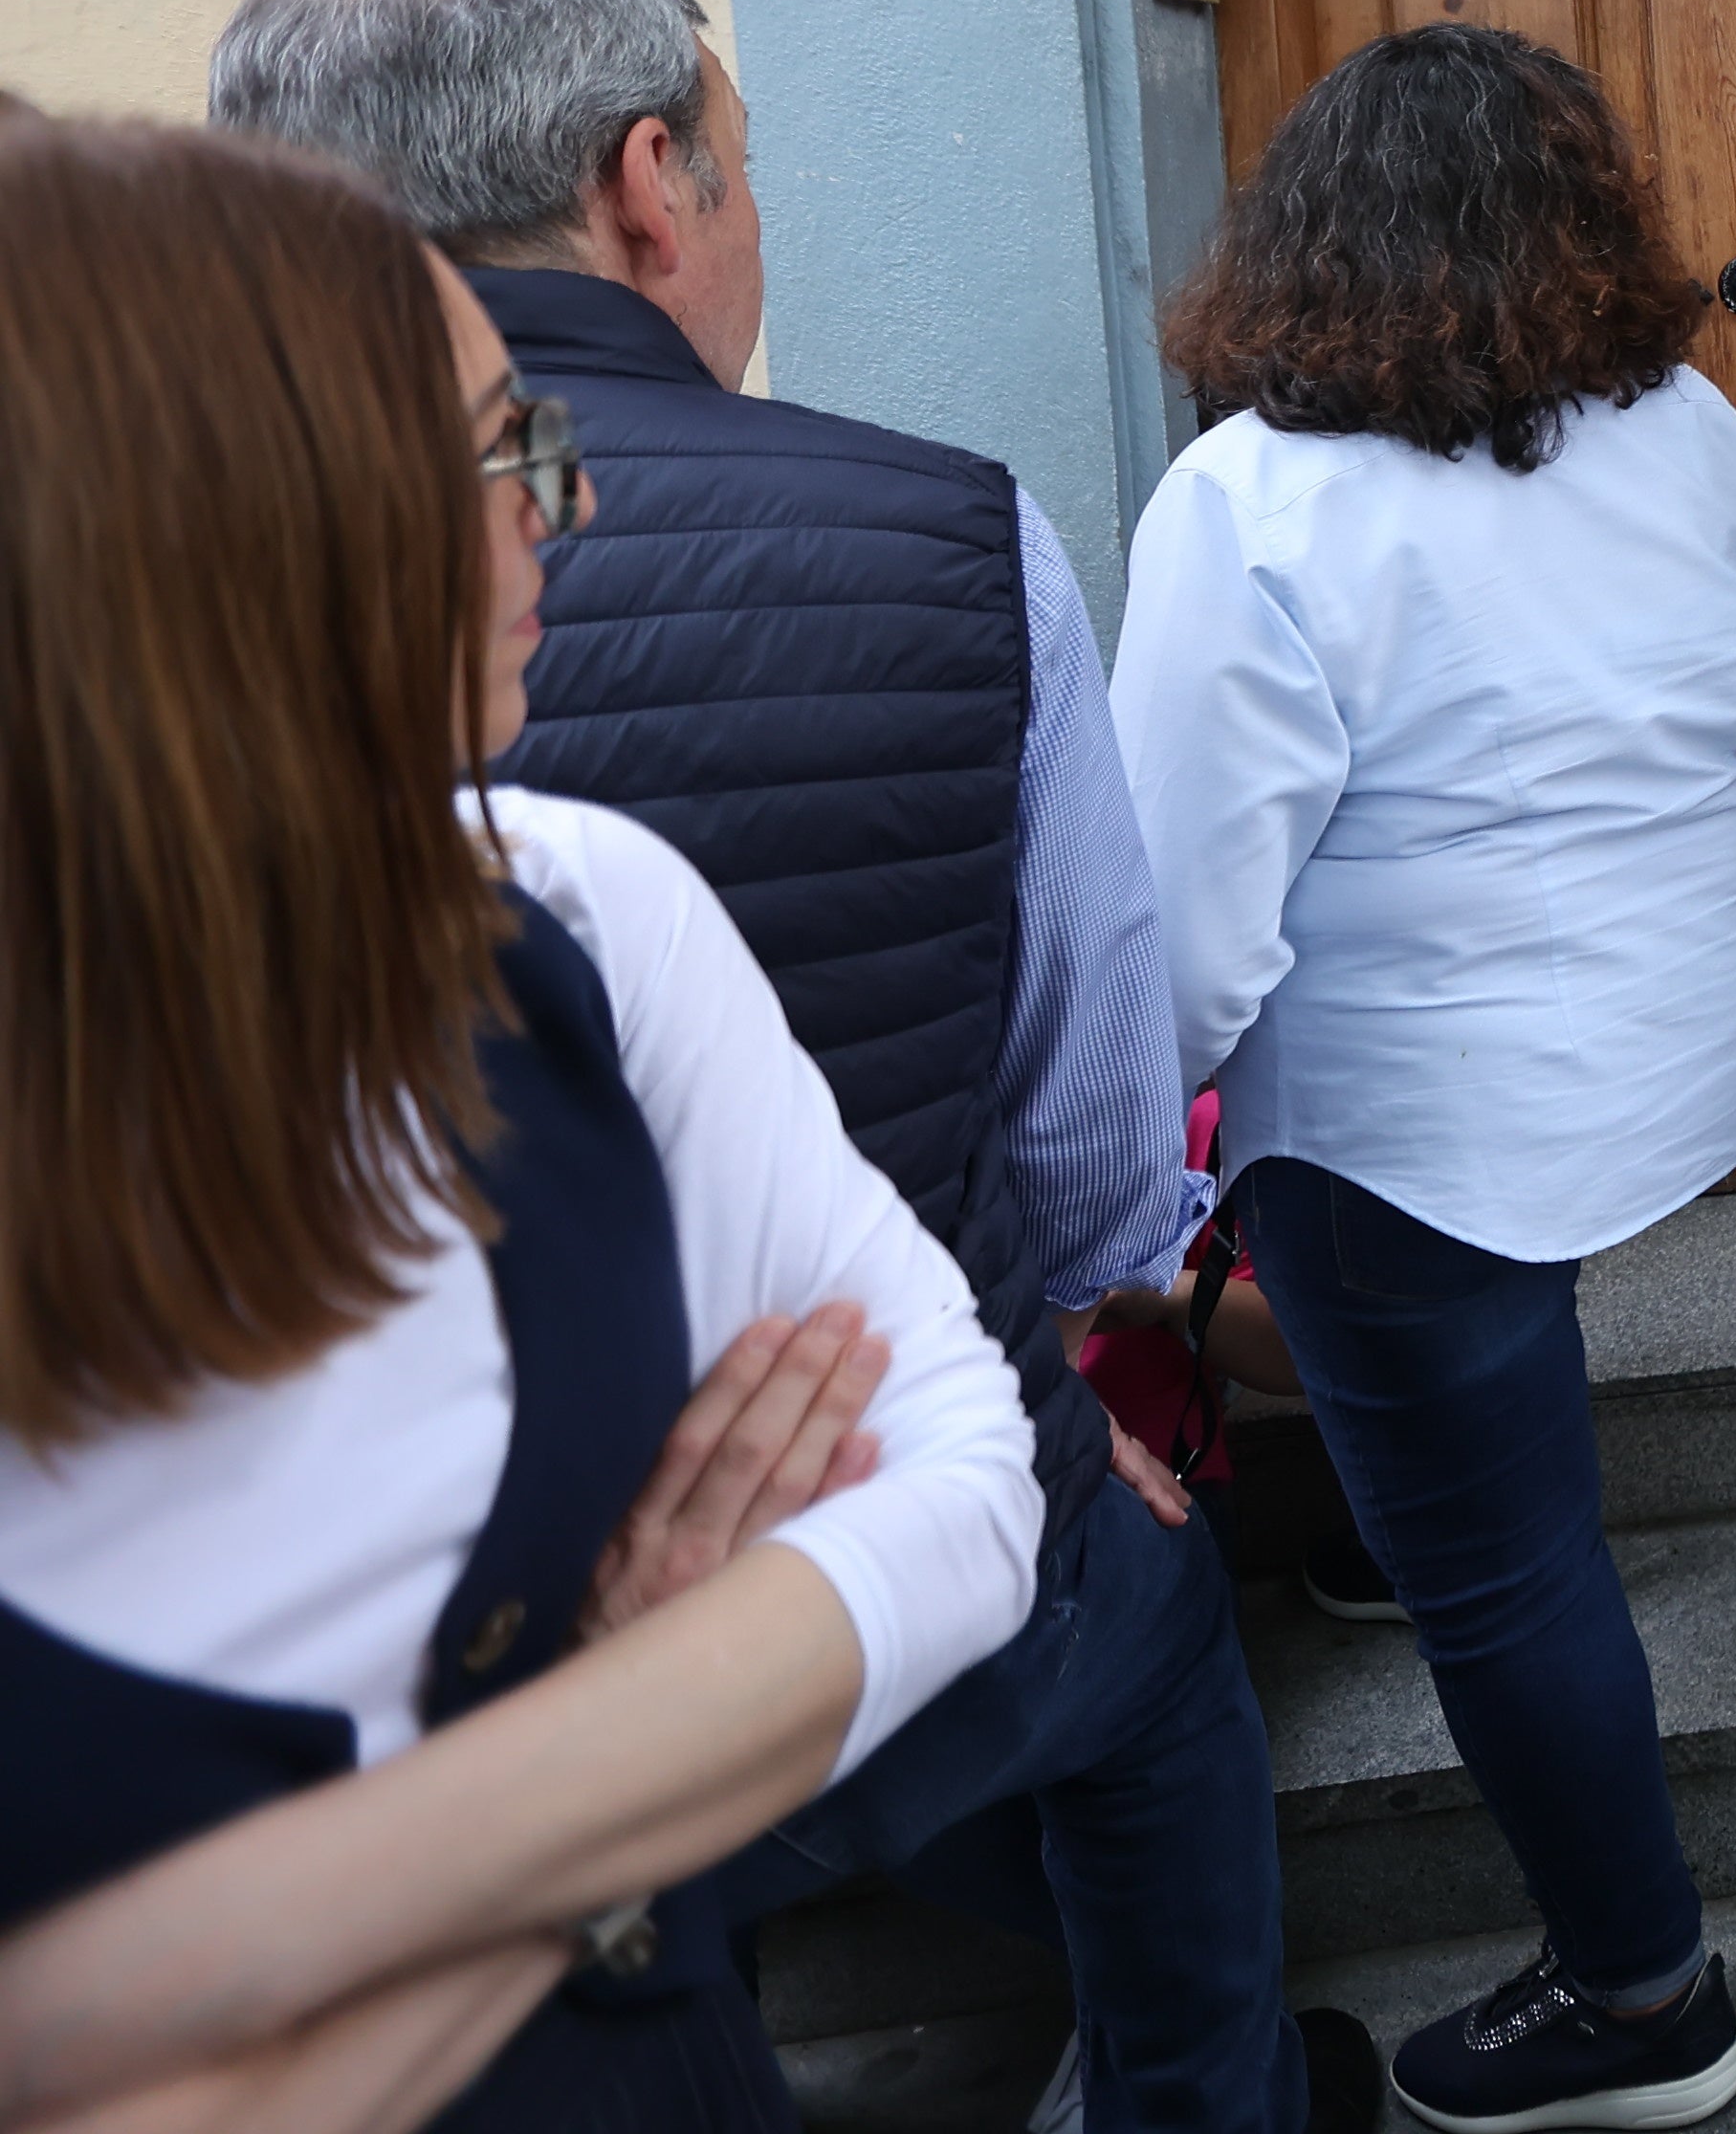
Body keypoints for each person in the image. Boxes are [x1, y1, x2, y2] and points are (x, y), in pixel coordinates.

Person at [200, 0, 1365, 2134]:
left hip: (380, 1623)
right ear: (653, 185)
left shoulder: (133, 583)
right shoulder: (945, 535)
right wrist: (1092, 1353)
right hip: (882, 1496)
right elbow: (1090, 1112)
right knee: (1147, 1673)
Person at [0, 115, 1039, 2133]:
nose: (563, 509)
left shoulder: (568, 916)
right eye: (501, 456)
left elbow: (956, 1469)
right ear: (233, 538)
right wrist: (627, 1741)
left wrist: (182, 1979)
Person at [1114, 21, 1736, 2134]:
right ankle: (1403, 1502)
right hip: (1673, 1043)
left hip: (1420, 1125)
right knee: (1472, 1375)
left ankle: (1642, 1997)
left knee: (1510, 1579)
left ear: (1302, 239)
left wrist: (1125, 1169)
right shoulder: (1693, 431)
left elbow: (1186, 918)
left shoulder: (1254, 502)